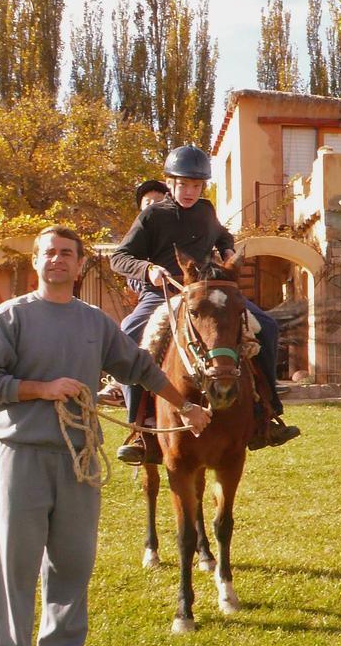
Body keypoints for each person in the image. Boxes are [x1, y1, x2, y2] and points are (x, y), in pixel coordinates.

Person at [0, 226, 211, 646]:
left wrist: (183, 405)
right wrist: (41, 388)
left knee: (73, 561)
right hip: (25, 454)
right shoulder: (11, 316)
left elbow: (139, 368)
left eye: (67, 254)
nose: (57, 260)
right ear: (36, 262)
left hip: (79, 458)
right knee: (15, 563)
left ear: (80, 266)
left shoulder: (95, 322)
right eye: (49, 253)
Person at [110, 144, 299, 463]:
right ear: (170, 182)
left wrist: (227, 251)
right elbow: (119, 257)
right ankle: (139, 428)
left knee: (264, 326)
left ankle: (268, 413)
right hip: (164, 294)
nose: (189, 191)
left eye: (196, 185)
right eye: (183, 184)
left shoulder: (206, 210)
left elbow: (222, 236)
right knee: (129, 334)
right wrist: (147, 269)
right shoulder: (153, 215)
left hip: (206, 291)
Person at [97, 180, 173, 406]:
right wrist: (149, 278)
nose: (152, 206)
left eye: (157, 202)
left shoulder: (181, 223)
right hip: (155, 295)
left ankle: (263, 397)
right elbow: (130, 272)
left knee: (255, 325)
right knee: (129, 329)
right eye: (147, 202)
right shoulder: (138, 235)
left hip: (191, 289)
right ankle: (124, 395)